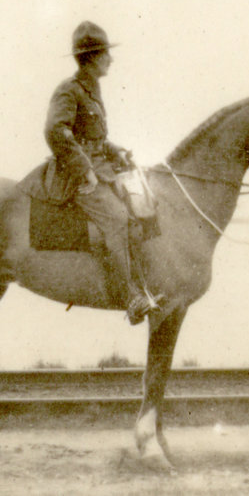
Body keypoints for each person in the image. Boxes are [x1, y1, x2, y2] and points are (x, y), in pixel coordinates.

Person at [43, 21, 155, 325]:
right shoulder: (69, 90)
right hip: (76, 173)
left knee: (139, 202)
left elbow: (94, 138)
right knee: (117, 219)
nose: (111, 59)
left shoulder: (90, 90)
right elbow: (56, 131)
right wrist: (85, 171)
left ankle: (145, 281)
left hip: (99, 167)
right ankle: (130, 295)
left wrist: (114, 149)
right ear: (92, 57)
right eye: (106, 53)